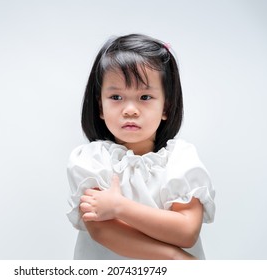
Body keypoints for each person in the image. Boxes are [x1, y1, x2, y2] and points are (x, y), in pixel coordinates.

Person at [66, 34, 215, 260]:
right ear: (100, 106)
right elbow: (102, 230)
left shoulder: (180, 158)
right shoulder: (91, 159)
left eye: (145, 96)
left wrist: (119, 207)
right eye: (116, 96)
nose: (130, 110)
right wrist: (176, 259)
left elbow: (187, 232)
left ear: (166, 106)